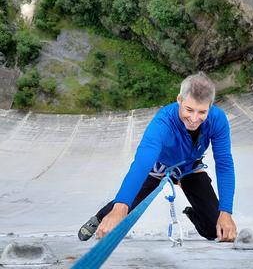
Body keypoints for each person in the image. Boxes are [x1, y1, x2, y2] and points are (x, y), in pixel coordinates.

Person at [78, 72, 237, 242]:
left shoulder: (217, 119)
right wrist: (121, 208)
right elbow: (142, 162)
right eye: (189, 110)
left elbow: (224, 163)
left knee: (215, 231)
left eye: (202, 112)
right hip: (159, 168)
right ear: (179, 100)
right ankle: (100, 217)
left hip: (190, 169)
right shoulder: (162, 122)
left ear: (210, 107)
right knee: (127, 205)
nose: (193, 118)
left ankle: (192, 212)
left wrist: (226, 212)